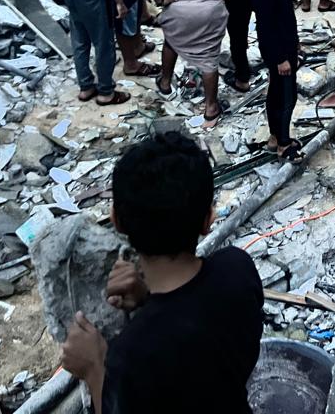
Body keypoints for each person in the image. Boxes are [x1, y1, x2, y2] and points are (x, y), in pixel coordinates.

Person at [61, 134, 264, 414]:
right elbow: (196, 333)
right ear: (208, 220)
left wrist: (94, 370)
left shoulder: (130, 354)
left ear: (116, 220)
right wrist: (147, 300)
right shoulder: (237, 268)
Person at [253, 0, 309, 162]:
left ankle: (275, 137)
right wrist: (280, 59)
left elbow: (283, 18)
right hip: (278, 52)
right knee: (286, 97)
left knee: (277, 91)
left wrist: (295, 43)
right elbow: (266, 28)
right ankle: (283, 145)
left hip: (284, 47)